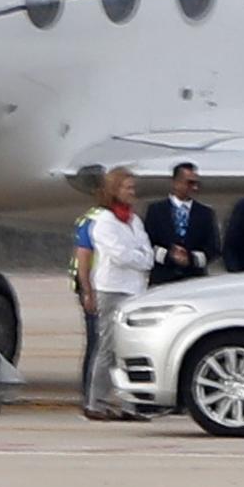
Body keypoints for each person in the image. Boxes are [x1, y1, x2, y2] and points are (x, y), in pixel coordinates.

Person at [84, 167, 155, 421]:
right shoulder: (104, 221)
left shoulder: (134, 221)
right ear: (115, 190)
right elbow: (119, 255)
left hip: (135, 290)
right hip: (112, 289)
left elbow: (147, 254)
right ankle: (96, 402)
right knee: (108, 347)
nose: (132, 192)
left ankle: (130, 404)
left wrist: (139, 257)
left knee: (132, 349)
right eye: (128, 187)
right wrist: (139, 257)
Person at [143, 161, 219, 284]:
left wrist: (190, 258)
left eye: (196, 183)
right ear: (176, 183)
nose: (194, 188)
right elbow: (147, 243)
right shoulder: (156, 210)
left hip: (194, 280)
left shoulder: (205, 213)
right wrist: (170, 256)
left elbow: (213, 248)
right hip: (162, 279)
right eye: (190, 183)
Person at [70, 202, 103, 411]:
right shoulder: (96, 221)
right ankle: (90, 392)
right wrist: (87, 291)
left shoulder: (88, 217)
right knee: (96, 344)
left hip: (99, 287)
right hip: (95, 288)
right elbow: (84, 258)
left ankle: (94, 391)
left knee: (98, 344)